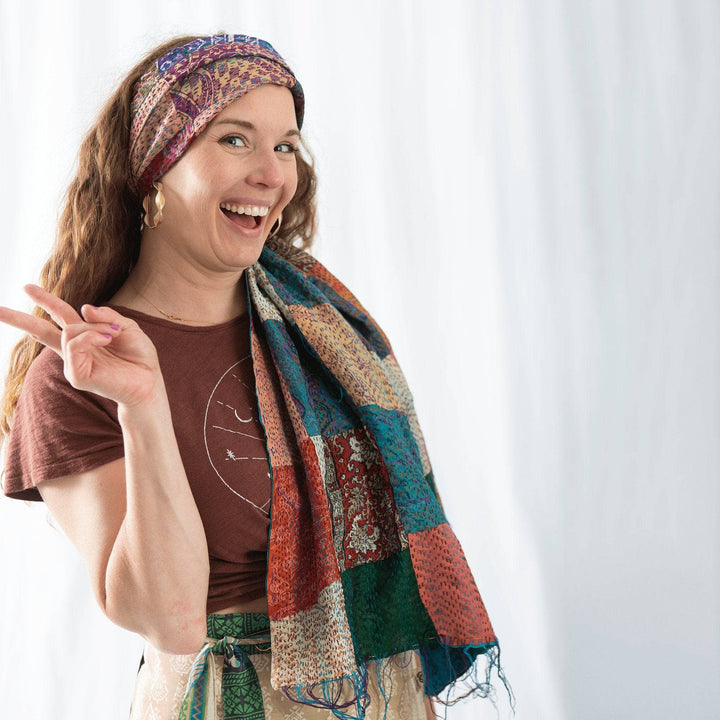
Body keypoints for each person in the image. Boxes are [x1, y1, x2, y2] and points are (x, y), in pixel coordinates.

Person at [0, 34, 506, 720]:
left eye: (286, 145)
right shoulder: (76, 378)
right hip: (243, 700)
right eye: (234, 140)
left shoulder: (314, 319)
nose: (272, 173)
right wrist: (144, 407)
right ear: (157, 168)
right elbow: (169, 618)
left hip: (384, 691)